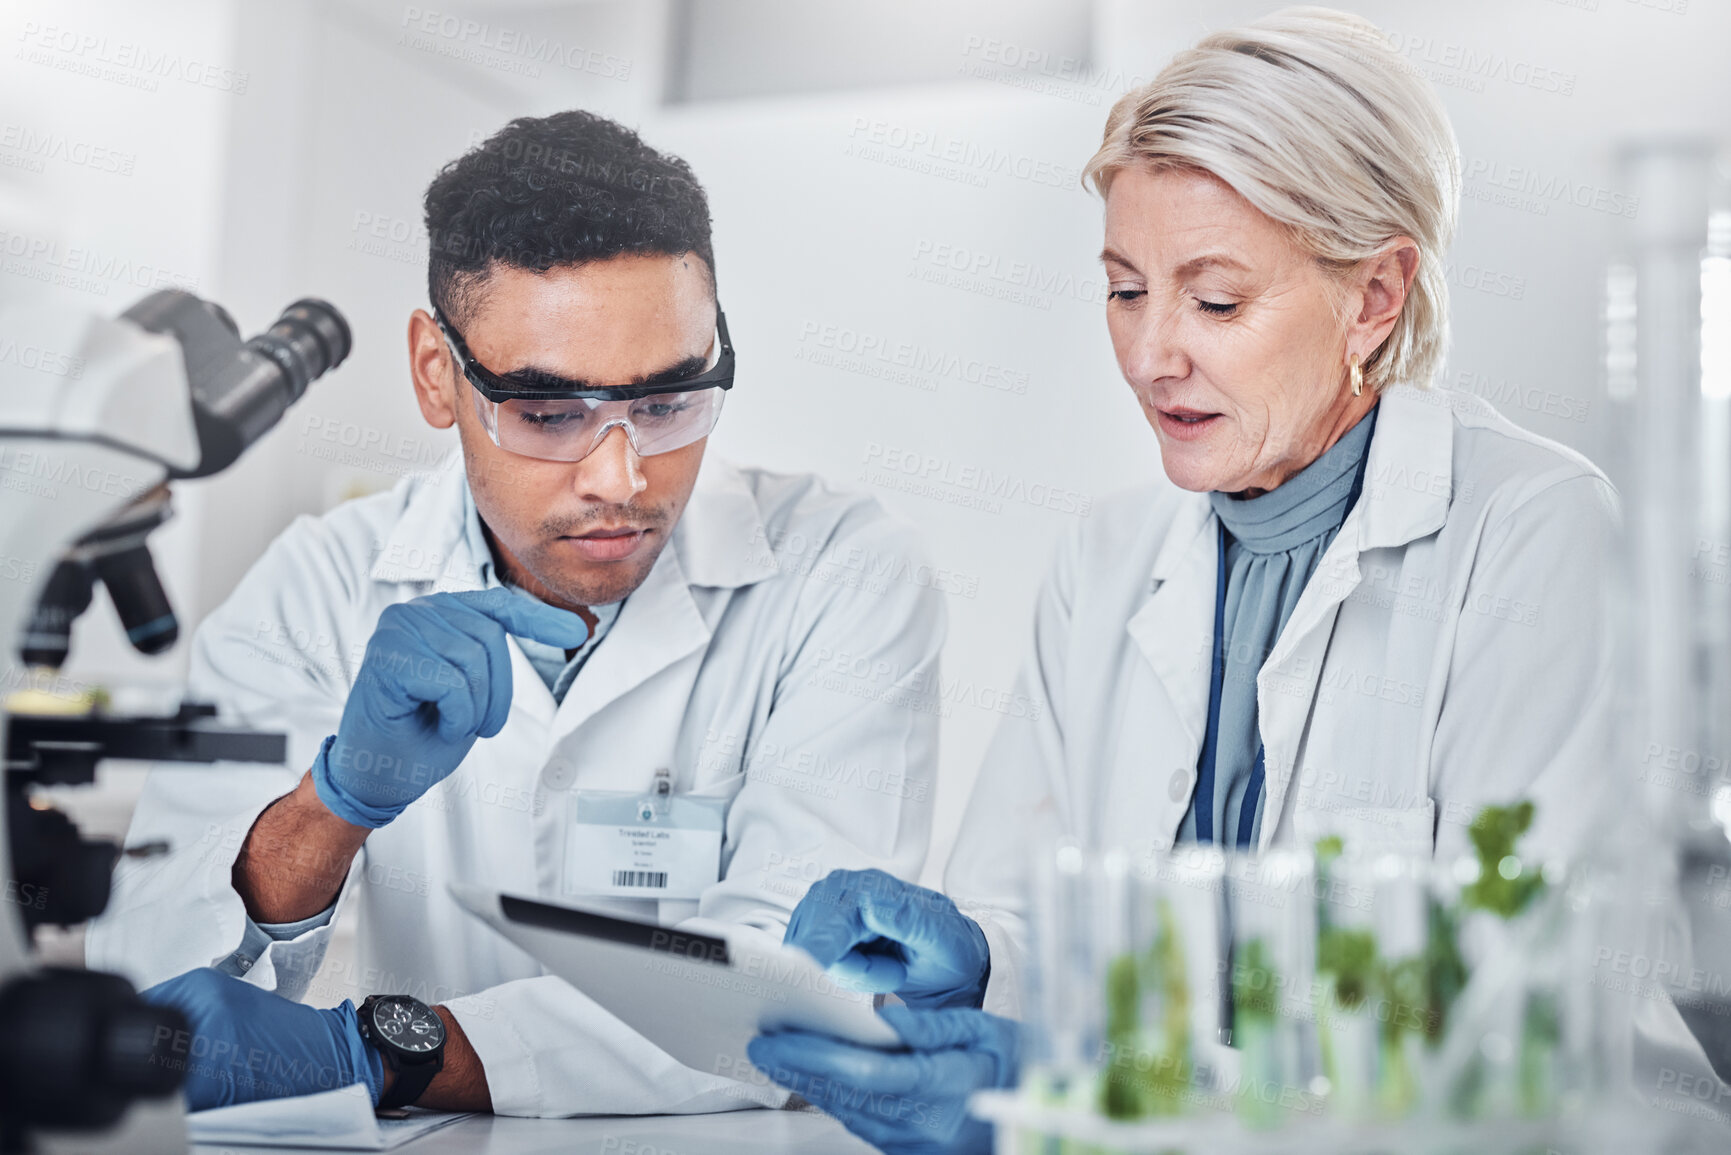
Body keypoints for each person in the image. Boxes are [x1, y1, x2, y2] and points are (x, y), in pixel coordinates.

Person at [746, 8, 1622, 1152]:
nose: (1153, 354)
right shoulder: (1108, 562)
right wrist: (977, 961)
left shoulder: (1534, 532)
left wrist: (1072, 1099)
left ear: (1374, 296)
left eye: (1215, 300)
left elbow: (1504, 1050)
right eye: (1124, 289)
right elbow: (1037, 926)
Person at [89, 110, 945, 1117]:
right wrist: (332, 809)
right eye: (548, 414)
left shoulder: (839, 572)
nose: (621, 476)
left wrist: (382, 1054)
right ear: (436, 374)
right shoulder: (319, 586)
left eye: (671, 401)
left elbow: (791, 991)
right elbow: (152, 989)